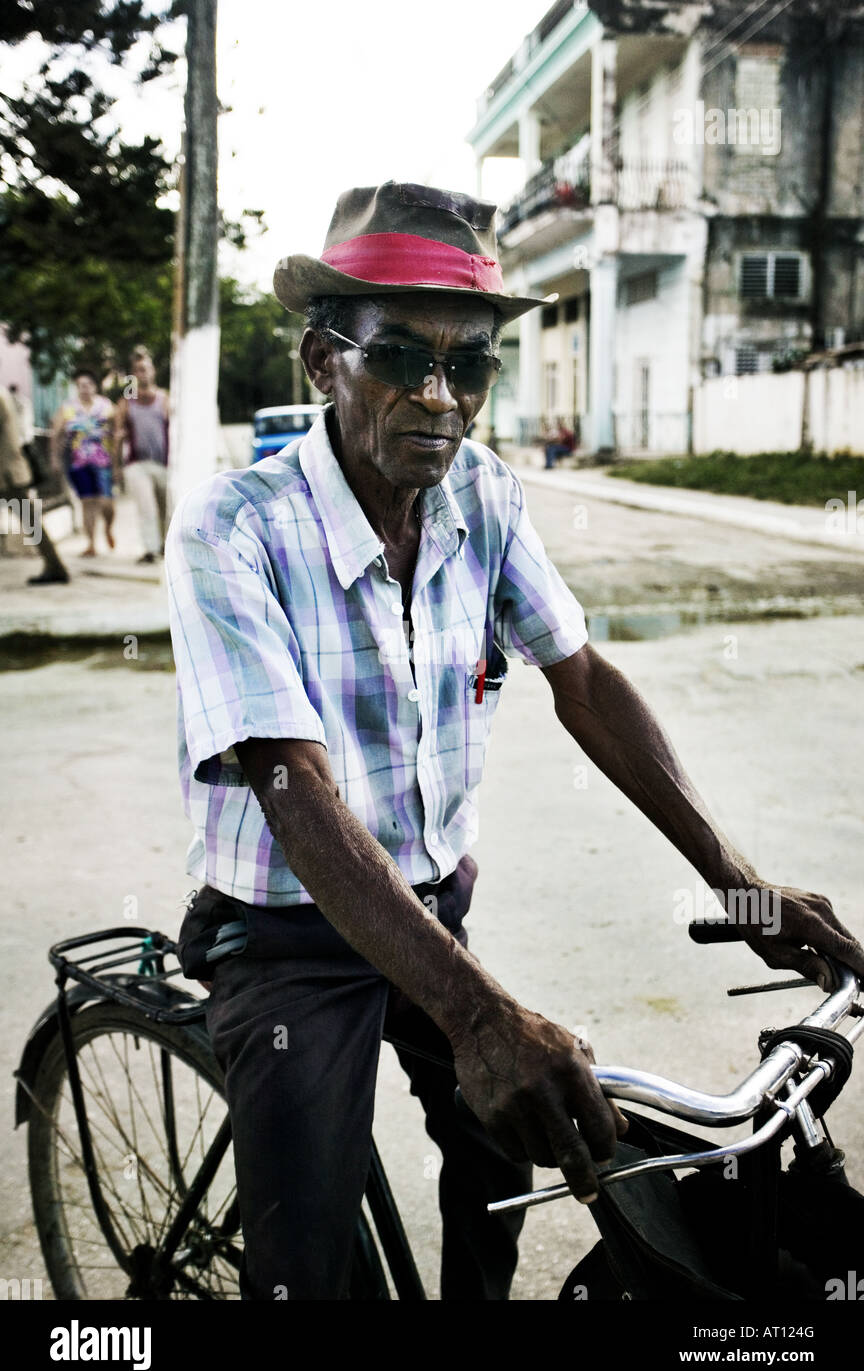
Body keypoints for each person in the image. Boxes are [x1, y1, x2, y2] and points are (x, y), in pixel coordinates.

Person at [164, 180, 864, 1302]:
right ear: (321, 362)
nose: (440, 397)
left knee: (528, 1152)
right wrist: (481, 1014)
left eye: (472, 364)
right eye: (400, 357)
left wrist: (742, 887)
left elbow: (580, 678)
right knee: (303, 1262)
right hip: (286, 937)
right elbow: (291, 787)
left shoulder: (481, 492)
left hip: (433, 906)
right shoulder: (233, 529)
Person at [0, 382, 70, 585]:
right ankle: (55, 565)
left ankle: (55, 566)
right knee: (31, 521)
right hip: (9, 472)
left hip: (7, 475)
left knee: (31, 522)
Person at [113, 347, 170, 563]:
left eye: (145, 368)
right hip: (137, 464)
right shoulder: (126, 403)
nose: (142, 373)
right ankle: (149, 549)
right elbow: (118, 437)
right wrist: (116, 467)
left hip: (163, 463)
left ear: (152, 371)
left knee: (166, 506)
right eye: (138, 370)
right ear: (133, 374)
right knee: (146, 506)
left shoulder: (164, 399)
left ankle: (165, 545)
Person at [50, 370, 115, 557]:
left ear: (94, 386)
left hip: (104, 462)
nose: (84, 389)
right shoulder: (67, 408)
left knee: (106, 503)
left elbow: (118, 429)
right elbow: (56, 434)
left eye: (87, 385)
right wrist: (55, 458)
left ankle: (108, 528)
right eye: (80, 385)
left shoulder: (106, 406)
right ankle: (91, 543)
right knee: (87, 502)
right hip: (78, 462)